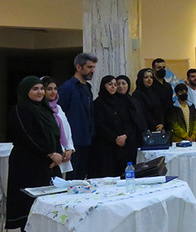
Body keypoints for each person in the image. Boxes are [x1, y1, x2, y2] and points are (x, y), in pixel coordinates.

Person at [7, 76, 62, 232]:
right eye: (35, 89)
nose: (40, 92)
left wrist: (58, 153)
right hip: (27, 165)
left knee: (50, 205)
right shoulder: (19, 110)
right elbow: (28, 136)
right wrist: (49, 153)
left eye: (41, 89)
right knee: (30, 207)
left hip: (48, 165)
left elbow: (55, 134)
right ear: (26, 91)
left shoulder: (45, 109)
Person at [92, 75, 142, 177]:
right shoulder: (98, 103)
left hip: (123, 145)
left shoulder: (121, 101)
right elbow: (100, 125)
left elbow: (128, 121)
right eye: (110, 84)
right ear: (104, 86)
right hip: (106, 145)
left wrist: (125, 136)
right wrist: (115, 138)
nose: (113, 87)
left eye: (115, 85)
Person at [58, 52, 97, 180]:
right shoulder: (67, 88)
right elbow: (59, 115)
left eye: (93, 67)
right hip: (73, 142)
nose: (92, 71)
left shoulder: (87, 88)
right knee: (72, 178)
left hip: (86, 139)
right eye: (89, 67)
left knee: (82, 178)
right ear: (78, 67)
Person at [42, 77, 74, 177]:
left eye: (55, 89)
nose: (53, 92)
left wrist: (69, 149)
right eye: (49, 89)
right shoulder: (40, 109)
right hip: (50, 156)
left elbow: (66, 129)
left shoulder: (58, 108)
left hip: (63, 153)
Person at [151, 58, 174, 126]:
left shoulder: (168, 86)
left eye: (163, 67)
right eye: (159, 68)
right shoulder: (150, 86)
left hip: (168, 121)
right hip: (156, 122)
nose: (162, 70)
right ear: (153, 69)